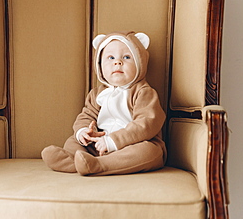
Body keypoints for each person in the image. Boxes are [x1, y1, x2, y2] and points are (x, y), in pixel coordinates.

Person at [42, 31, 166, 176]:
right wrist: (84, 132)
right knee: (73, 140)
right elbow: (86, 116)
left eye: (126, 57)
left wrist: (113, 141)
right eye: (110, 58)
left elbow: (146, 124)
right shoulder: (97, 94)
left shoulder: (144, 92)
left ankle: (100, 165)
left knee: (150, 152)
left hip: (130, 145)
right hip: (98, 144)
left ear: (140, 63)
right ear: (100, 66)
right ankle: (74, 161)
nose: (117, 62)